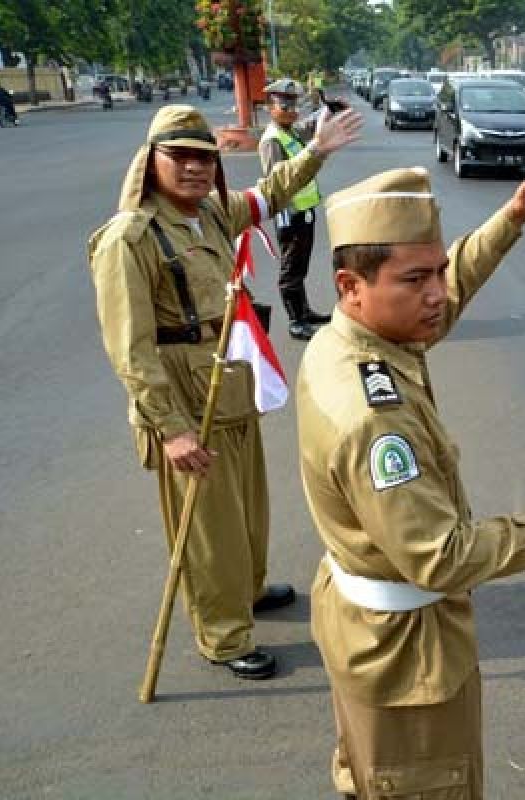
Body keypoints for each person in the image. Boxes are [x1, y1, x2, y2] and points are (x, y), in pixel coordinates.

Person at [296, 164, 525, 799]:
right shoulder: (373, 420)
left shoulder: (356, 340)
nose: (437, 293)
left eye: (438, 271)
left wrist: (511, 220)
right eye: (416, 279)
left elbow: (443, 297)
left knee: (374, 775)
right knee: (424, 786)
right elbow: (440, 558)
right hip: (405, 654)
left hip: (369, 628)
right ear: (350, 285)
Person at [86, 103, 364, 680]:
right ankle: (223, 632)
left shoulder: (210, 214)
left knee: (247, 506)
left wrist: (317, 150)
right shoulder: (130, 238)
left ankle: (249, 587)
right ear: (150, 161)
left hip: (228, 381)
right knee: (207, 527)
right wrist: (170, 428)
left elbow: (270, 194)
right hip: (183, 398)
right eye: (179, 157)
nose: (193, 168)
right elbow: (130, 350)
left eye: (203, 158)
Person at [259, 78, 333, 340]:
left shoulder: (289, 131)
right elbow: (276, 183)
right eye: (284, 105)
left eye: (293, 104)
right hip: (290, 215)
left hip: (305, 211)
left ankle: (304, 312)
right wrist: (286, 212)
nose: (290, 110)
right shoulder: (272, 140)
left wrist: (329, 109)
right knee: (291, 269)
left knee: (301, 267)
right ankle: (295, 321)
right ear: (270, 107)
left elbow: (311, 127)